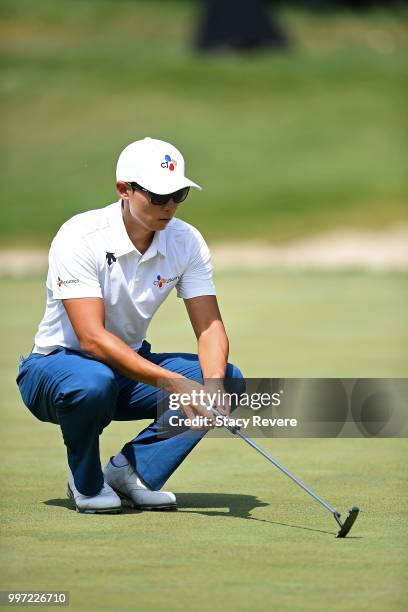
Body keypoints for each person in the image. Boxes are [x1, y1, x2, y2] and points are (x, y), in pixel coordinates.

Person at [16, 137, 243, 514]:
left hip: (126, 370)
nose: (169, 206)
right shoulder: (80, 236)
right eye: (157, 196)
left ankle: (131, 472)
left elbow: (209, 327)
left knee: (226, 377)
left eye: (179, 194)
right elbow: (91, 338)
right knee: (92, 382)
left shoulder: (186, 241)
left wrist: (214, 385)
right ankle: (86, 484)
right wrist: (173, 383)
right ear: (124, 190)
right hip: (54, 370)